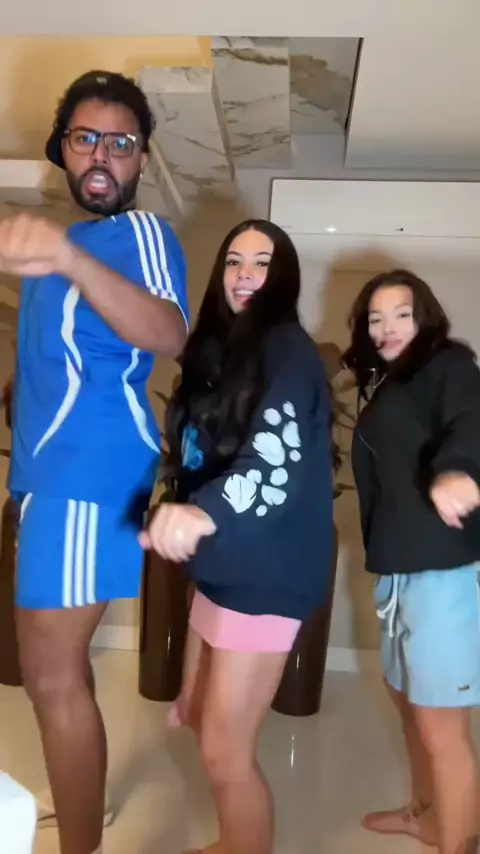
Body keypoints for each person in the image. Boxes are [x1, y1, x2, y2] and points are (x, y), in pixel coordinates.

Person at [0, 71, 188, 854]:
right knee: (59, 675)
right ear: (62, 149)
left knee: (51, 676)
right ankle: (83, 809)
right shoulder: (67, 247)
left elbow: (170, 333)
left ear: (142, 158)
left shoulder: (138, 234)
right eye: (86, 138)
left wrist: (65, 260)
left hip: (87, 473)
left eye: (122, 141)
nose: (102, 154)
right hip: (50, 478)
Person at [141, 219, 335, 854]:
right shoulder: (219, 353)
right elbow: (197, 454)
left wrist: (201, 515)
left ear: (284, 276)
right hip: (223, 567)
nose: (245, 273)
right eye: (233, 261)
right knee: (201, 717)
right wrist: (176, 505)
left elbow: (275, 464)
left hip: (266, 573)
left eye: (261, 261)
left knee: (226, 751)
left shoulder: (287, 350)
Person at [344, 269, 480, 854]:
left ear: (426, 317)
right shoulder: (390, 384)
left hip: (444, 574)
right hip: (401, 573)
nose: (387, 327)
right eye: (376, 318)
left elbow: (473, 419)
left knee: (441, 728)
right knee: (410, 707)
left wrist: (459, 471)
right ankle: (425, 816)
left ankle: (461, 842)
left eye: (401, 314)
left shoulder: (449, 364)